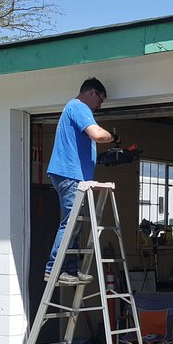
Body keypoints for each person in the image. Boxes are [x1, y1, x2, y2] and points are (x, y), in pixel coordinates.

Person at [45, 77, 117, 285]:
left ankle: (70, 269)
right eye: (100, 101)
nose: (99, 106)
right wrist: (111, 137)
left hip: (72, 175)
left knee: (74, 223)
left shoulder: (74, 109)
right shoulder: (79, 106)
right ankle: (53, 269)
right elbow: (96, 134)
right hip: (70, 174)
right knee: (70, 223)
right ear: (92, 93)